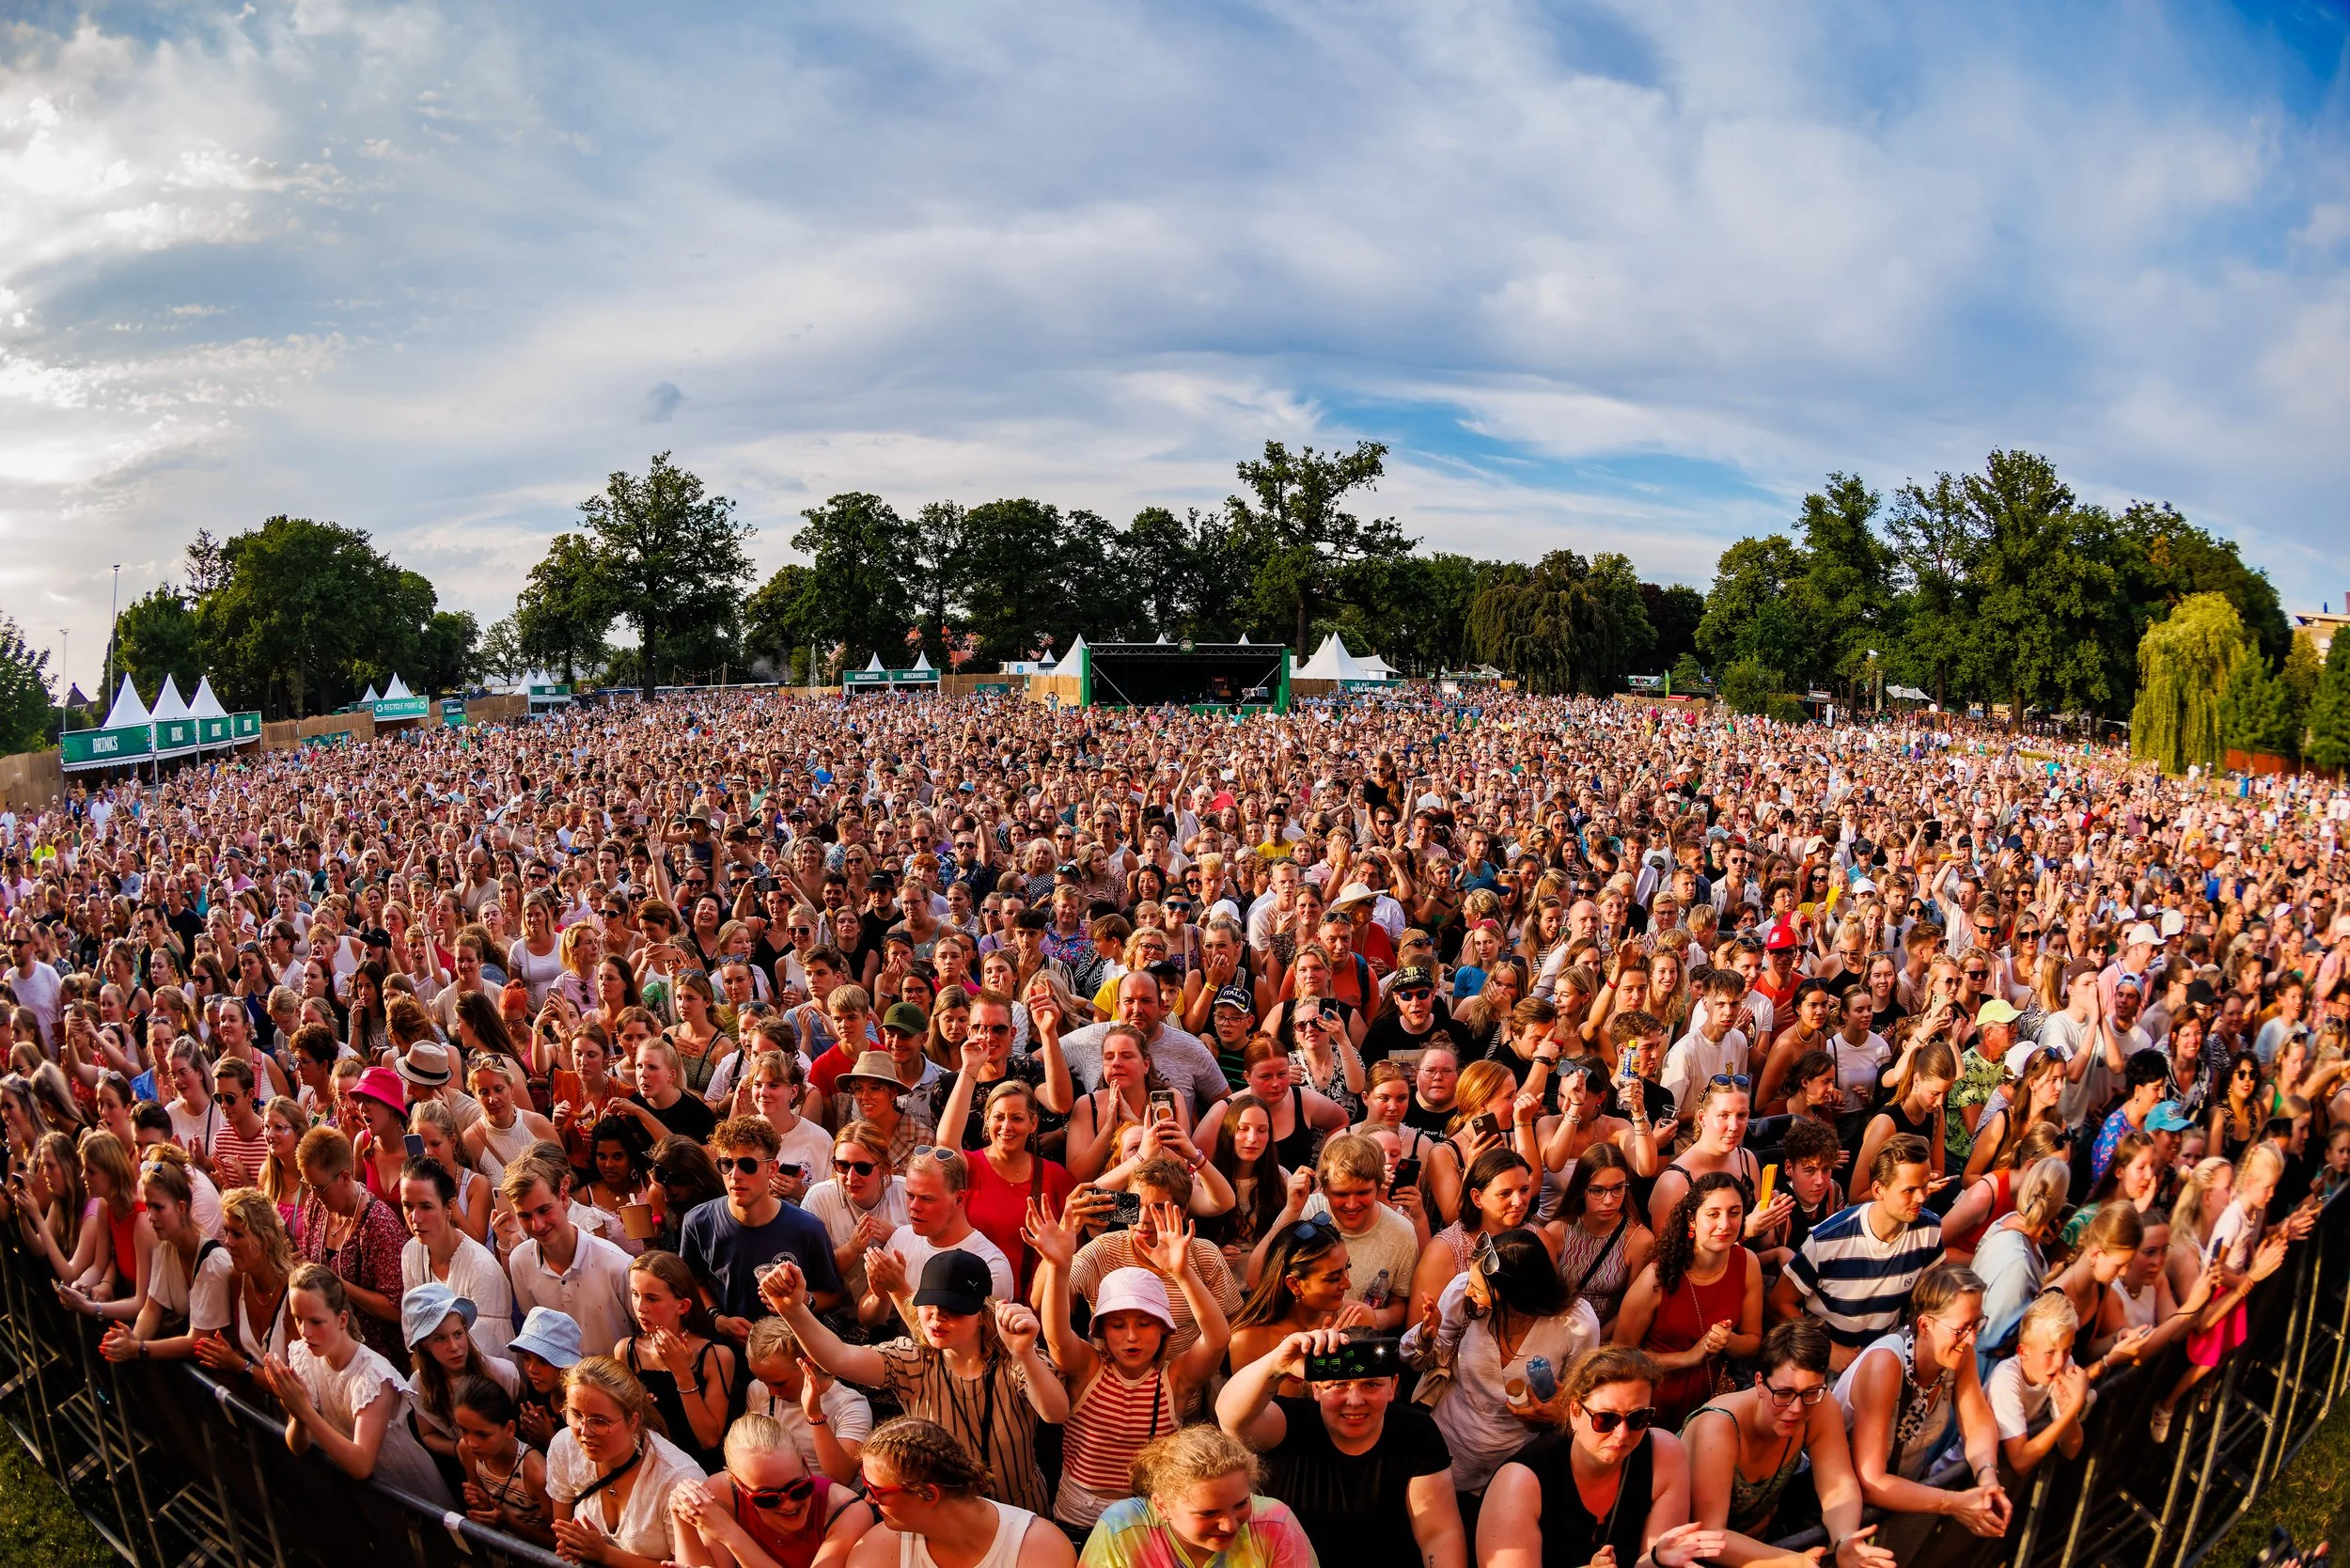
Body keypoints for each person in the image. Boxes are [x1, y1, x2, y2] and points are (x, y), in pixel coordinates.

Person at [762, 1250, 1068, 1516]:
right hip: (939, 1515)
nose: (936, 1319)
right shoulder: (913, 1359)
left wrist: (1025, 1353)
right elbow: (840, 1358)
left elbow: (1055, 1413)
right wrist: (792, 1309)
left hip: (1017, 1510)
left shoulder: (1014, 1355)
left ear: (983, 1313)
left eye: (952, 1311)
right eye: (930, 1307)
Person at [1026, 1197, 1231, 1530]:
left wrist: (1182, 1274)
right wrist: (1060, 1268)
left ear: (1165, 1327)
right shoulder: (1088, 1368)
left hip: (1145, 1516)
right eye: (1118, 1325)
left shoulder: (1174, 1381)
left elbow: (1218, 1339)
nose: (1132, 1336)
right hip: (1077, 1515)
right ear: (1102, 1330)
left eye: (1145, 1323)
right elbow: (1056, 1335)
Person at [1217, 1324, 1465, 1568]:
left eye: (1371, 1385)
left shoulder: (1416, 1431)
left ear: (1393, 1386)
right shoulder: (1290, 1423)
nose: (1355, 1401)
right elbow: (1231, 1418)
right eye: (1338, 1385)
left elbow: (1438, 1533)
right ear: (1316, 1388)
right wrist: (1275, 1364)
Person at [1477, 1344, 1726, 1568]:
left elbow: (1648, 1560)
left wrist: (1657, 1560)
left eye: (1638, 1418)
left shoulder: (1664, 1455)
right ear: (1575, 1412)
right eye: (1606, 1419)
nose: (1622, 1434)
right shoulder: (1520, 1484)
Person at [1404, 1225, 1603, 1497]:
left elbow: (1580, 1399)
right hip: (1447, 1446)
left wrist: (1555, 1415)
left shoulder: (1576, 1324)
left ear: (1514, 1295)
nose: (1468, 1292)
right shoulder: (1462, 1294)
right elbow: (1414, 1361)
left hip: (1516, 1464)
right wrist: (1427, 1336)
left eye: (1479, 1289)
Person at [1832, 1262, 2010, 1547]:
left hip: (1903, 1505)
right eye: (1963, 1328)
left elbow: (1977, 1423)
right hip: (1843, 1518)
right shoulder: (1886, 1365)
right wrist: (1953, 1503)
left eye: (1977, 1324)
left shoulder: (1959, 1355)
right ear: (1925, 1324)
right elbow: (1871, 1480)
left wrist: (1987, 1476)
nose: (1972, 1338)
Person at [1681, 1320, 1885, 1561]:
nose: (1797, 1408)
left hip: (1766, 1546)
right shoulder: (1718, 1427)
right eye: (1784, 1393)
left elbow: (1838, 1486)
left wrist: (1845, 1539)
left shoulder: (1819, 1404)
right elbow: (1709, 1535)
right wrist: (1791, 1562)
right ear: (1759, 1383)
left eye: (1811, 1392)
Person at [257, 1262, 454, 1505]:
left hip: (408, 1490)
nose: (305, 1331)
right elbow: (298, 1446)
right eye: (298, 1319)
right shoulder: (304, 1356)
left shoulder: (372, 1376)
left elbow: (361, 1464)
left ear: (342, 1320)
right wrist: (297, 1414)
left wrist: (305, 1411)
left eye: (316, 1322)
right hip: (364, 1496)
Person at [1772, 1134, 1943, 1371]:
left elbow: (1927, 1298)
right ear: (1878, 1190)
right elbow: (1780, 1302)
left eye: (1924, 1186)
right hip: (1827, 1363)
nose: (1921, 1197)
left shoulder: (1930, 1229)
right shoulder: (1828, 1238)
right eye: (1909, 1190)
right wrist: (1827, 1348)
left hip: (1887, 1356)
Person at [1615, 1172, 1763, 1429]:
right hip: (1653, 1405)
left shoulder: (1747, 1262)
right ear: (1691, 1220)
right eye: (1713, 1214)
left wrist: (1728, 1341)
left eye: (1735, 1212)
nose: (1726, 1224)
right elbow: (1620, 1355)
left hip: (1710, 1405)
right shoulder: (1657, 1276)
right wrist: (1687, 1357)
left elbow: (1752, 1342)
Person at [680, 1115, 845, 1341]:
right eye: (726, 1164)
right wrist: (717, 1319)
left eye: (747, 1165)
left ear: (772, 1169)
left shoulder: (807, 1228)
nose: (735, 1175)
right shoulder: (698, 1222)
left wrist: (800, 1302)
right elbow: (692, 1284)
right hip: (729, 1357)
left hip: (790, 1355)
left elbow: (834, 1296)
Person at [839, 1416, 1073, 1568]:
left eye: (875, 1489)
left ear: (928, 1494)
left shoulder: (1039, 1548)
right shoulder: (876, 1551)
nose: (868, 1498)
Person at [547, 1356, 712, 1568]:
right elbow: (563, 1536)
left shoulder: (678, 1479)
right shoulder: (565, 1447)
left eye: (599, 1421)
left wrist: (605, 1554)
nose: (585, 1432)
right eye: (576, 1415)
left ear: (633, 1421)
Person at [1077, 1423, 1316, 1568]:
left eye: (1242, 1503)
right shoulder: (1123, 1528)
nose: (1230, 1525)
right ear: (1162, 1506)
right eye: (1209, 1513)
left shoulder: (1275, 1522)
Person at [666, 1410, 879, 1568]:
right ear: (738, 1485)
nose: (789, 1504)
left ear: (805, 1465)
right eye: (768, 1498)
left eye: (799, 1488)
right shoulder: (722, 1493)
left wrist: (731, 1535)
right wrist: (680, 1515)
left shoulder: (848, 1511)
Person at [1263, 1133, 1417, 1329]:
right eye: (1341, 1194)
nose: (1352, 1204)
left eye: (1363, 1192)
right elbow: (1257, 1277)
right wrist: (1291, 1211)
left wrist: (1364, 1320)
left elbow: (1400, 1302)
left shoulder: (1402, 1231)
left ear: (1378, 1187)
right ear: (1324, 1190)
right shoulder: (1305, 1211)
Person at [95, 1147, 230, 1363]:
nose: (150, 1216)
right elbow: (151, 1308)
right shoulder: (166, 1245)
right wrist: (134, 1337)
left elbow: (197, 1340)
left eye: (158, 1207)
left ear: (181, 1208)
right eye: (148, 1207)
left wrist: (139, 1347)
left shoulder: (214, 1261)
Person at [861, 1145, 1017, 1331]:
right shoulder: (902, 1237)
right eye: (910, 1195)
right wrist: (881, 1298)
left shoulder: (990, 1266)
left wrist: (898, 1289)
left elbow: (960, 1350)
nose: (914, 1207)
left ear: (960, 1199)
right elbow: (867, 1319)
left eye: (927, 1199)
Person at [500, 1152, 638, 1361]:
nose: (538, 1225)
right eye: (525, 1216)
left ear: (563, 1198)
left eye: (544, 1210)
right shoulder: (520, 1261)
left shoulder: (617, 1263)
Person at [621, 1250, 739, 1472]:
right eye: (635, 1294)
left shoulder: (716, 1356)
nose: (640, 1307)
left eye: (652, 1298)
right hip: (648, 1470)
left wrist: (682, 1373)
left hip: (700, 1473)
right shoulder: (627, 1351)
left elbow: (709, 1439)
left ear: (683, 1306)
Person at [1228, 1218, 1371, 1399]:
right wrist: (1297, 1367)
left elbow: (1369, 1399)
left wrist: (1339, 1360)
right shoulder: (1246, 1340)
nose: (1347, 1283)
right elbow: (1247, 1414)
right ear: (1294, 1283)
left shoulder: (1360, 1318)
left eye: (1346, 1268)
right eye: (1333, 1278)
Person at [399, 1155, 515, 1357]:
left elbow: (487, 1352)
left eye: (426, 1206)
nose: (415, 1218)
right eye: (408, 1206)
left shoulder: (481, 1267)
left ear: (449, 1207)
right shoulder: (411, 1252)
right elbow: (412, 1327)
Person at [742, 1315, 872, 1482]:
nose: (772, 1392)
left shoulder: (850, 1405)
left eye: (779, 1383)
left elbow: (842, 1478)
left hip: (833, 1500)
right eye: (764, 1382)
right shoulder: (757, 1390)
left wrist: (816, 1416)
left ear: (808, 1365)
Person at [1550, 1143, 1655, 1336]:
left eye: (1618, 1188)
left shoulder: (1639, 1240)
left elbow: (1630, 1309)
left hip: (1605, 1338)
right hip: (1558, 1334)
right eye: (1597, 1191)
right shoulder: (1557, 1232)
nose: (1609, 1200)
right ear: (1582, 1189)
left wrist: (1594, 1343)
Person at [454, 1374, 556, 1547]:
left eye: (482, 1434)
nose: (471, 1442)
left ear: (509, 1429)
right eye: (464, 1430)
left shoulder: (537, 1474)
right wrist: (483, 1505)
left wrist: (509, 1522)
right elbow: (485, 1508)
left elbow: (557, 1541)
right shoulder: (467, 1450)